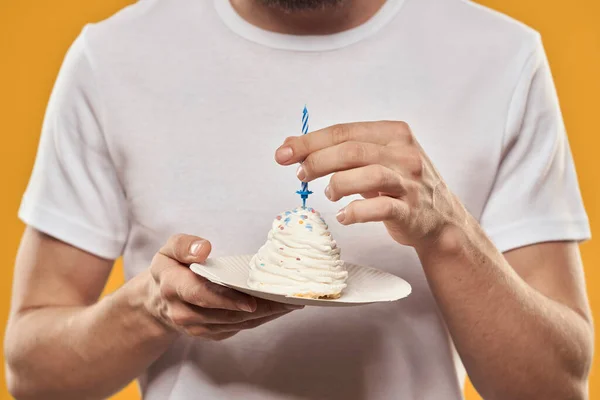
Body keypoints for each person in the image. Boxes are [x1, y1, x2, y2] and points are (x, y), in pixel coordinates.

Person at [4, 0, 593, 399]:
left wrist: (447, 232)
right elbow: (30, 371)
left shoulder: (500, 57)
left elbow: (558, 384)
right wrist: (150, 310)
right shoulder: (114, 58)